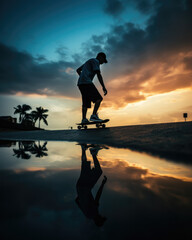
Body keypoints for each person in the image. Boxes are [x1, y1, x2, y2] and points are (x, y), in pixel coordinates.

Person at [75, 144, 107, 227]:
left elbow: (97, 197)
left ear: (98, 220)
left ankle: (93, 153)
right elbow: (77, 201)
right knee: (84, 166)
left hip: (85, 188)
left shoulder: (93, 213)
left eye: (101, 218)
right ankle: (83, 149)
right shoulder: (88, 215)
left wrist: (103, 184)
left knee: (98, 172)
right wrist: (81, 194)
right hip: (81, 188)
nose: (101, 216)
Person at [76, 52, 108, 123]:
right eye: (103, 61)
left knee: (86, 102)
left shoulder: (89, 61)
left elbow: (78, 70)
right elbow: (98, 74)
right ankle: (93, 116)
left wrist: (82, 76)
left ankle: (84, 119)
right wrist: (103, 87)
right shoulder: (95, 61)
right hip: (87, 83)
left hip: (80, 84)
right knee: (99, 99)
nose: (102, 63)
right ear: (100, 57)